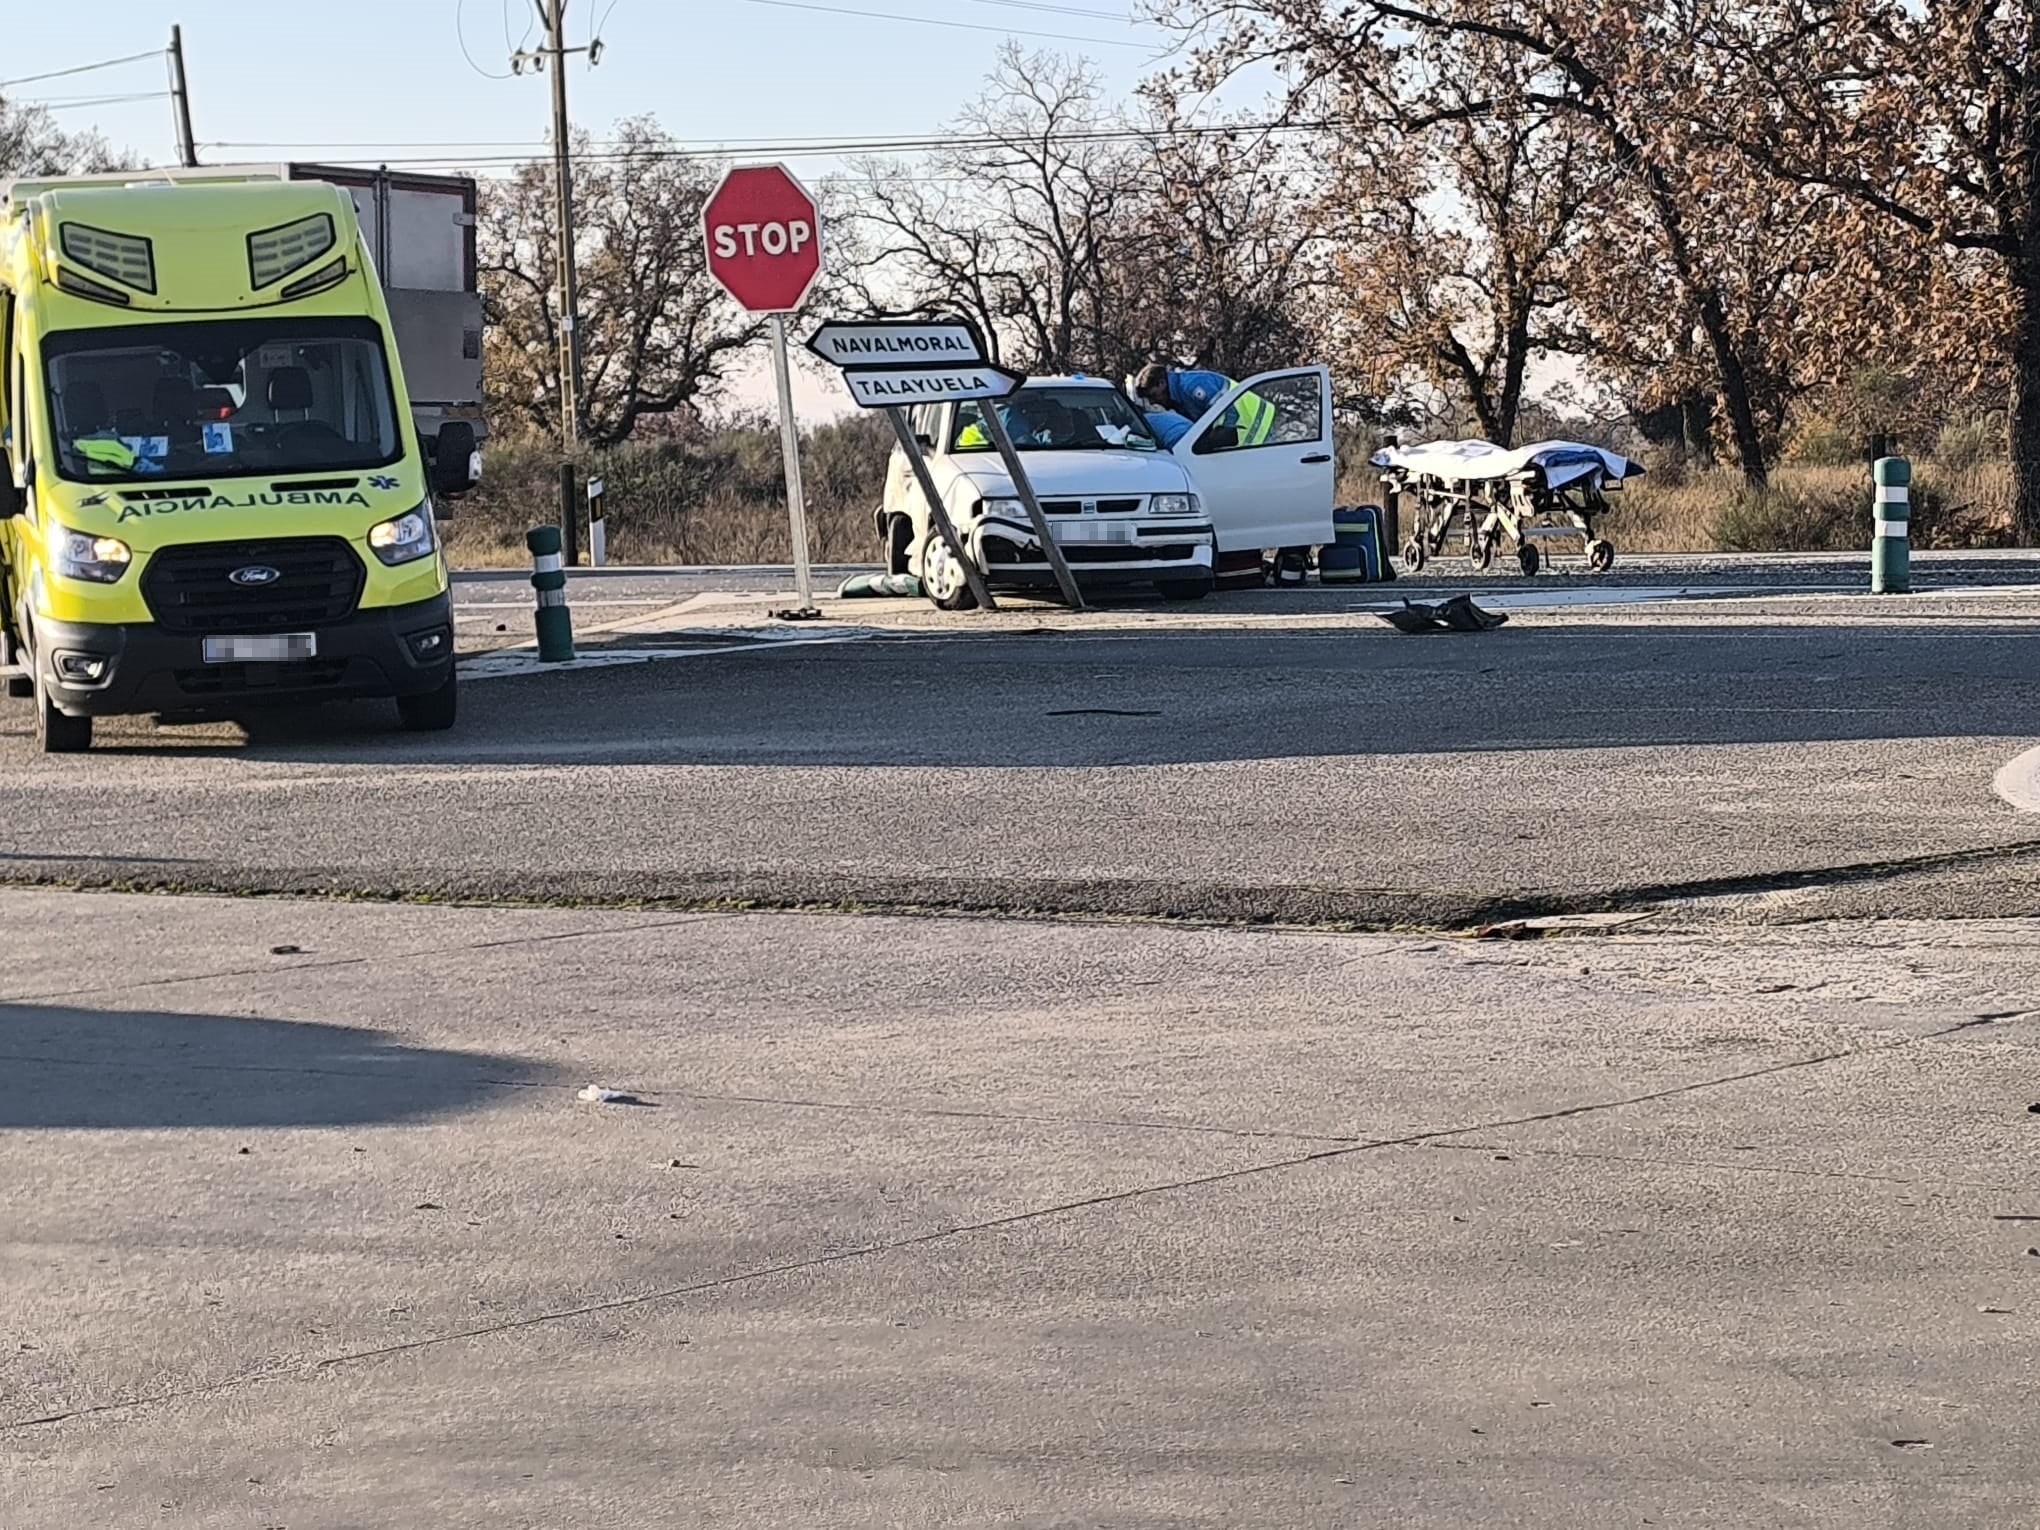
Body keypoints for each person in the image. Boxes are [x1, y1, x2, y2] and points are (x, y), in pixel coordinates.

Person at [1131, 361, 1277, 447]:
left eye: (1153, 395)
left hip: (1259, 428)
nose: (1153, 401)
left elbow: (1227, 411)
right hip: (1249, 437)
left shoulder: (1193, 385)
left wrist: (1216, 441)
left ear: (1161, 383)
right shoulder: (1178, 399)